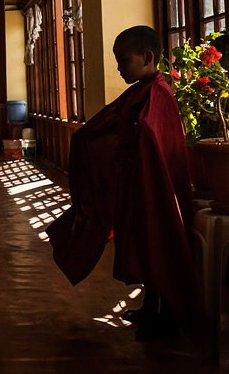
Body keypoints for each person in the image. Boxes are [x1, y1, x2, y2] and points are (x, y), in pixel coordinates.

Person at [46, 25, 205, 341]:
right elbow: (113, 124)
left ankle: (168, 316)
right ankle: (150, 306)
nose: (118, 68)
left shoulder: (158, 94)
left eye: (123, 60)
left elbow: (151, 140)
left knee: (159, 245)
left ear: (147, 57)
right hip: (138, 185)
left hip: (157, 188)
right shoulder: (143, 90)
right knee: (145, 246)